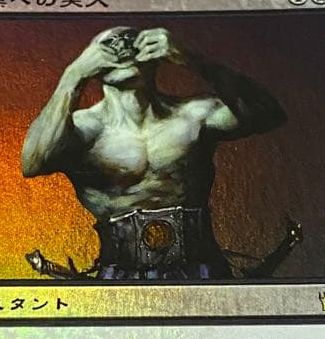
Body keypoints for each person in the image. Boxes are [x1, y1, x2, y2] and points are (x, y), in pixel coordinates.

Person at [21, 25, 285, 278]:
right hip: (119, 275)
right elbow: (33, 162)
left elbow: (269, 114)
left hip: (203, 269)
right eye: (109, 45)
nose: (121, 48)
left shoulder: (195, 114)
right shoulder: (83, 129)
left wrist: (191, 59)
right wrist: (73, 75)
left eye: (131, 41)